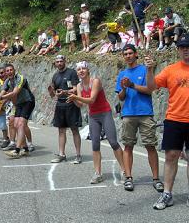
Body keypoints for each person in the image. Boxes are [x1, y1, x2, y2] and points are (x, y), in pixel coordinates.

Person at [144, 33, 189, 209]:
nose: (186, 50)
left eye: (188, 47)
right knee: (171, 156)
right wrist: (149, 70)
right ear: (178, 50)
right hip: (174, 119)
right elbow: (151, 87)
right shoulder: (171, 69)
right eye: (183, 47)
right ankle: (167, 194)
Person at [67, 61, 125, 184]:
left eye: (83, 68)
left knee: (113, 142)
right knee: (95, 145)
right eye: (78, 70)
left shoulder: (95, 81)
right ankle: (98, 173)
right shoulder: (78, 86)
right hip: (93, 115)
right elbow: (82, 105)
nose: (81, 71)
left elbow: (92, 100)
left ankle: (124, 170)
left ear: (88, 70)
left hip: (105, 113)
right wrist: (73, 100)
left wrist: (76, 97)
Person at [115, 44, 163, 192]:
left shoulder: (145, 69)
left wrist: (132, 85)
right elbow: (121, 98)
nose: (128, 56)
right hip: (128, 114)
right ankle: (128, 178)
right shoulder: (122, 74)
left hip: (145, 113)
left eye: (130, 53)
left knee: (150, 146)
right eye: (125, 54)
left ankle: (156, 179)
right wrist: (124, 88)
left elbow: (150, 90)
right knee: (128, 146)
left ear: (136, 54)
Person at [0, 64, 35, 158]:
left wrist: (0, 98)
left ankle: (17, 150)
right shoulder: (7, 81)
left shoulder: (20, 78)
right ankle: (26, 149)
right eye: (7, 71)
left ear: (14, 70)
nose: (9, 72)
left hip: (28, 101)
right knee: (15, 125)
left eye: (11, 70)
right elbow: (1, 93)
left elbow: (15, 92)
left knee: (21, 124)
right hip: (18, 103)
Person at [48, 55, 82, 163]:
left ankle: (78, 155)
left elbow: (76, 88)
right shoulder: (55, 76)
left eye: (61, 61)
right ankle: (62, 154)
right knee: (61, 130)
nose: (59, 63)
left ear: (64, 61)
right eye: (57, 62)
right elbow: (53, 95)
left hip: (71, 103)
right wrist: (51, 91)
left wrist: (65, 92)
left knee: (74, 130)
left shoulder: (71, 73)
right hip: (60, 105)